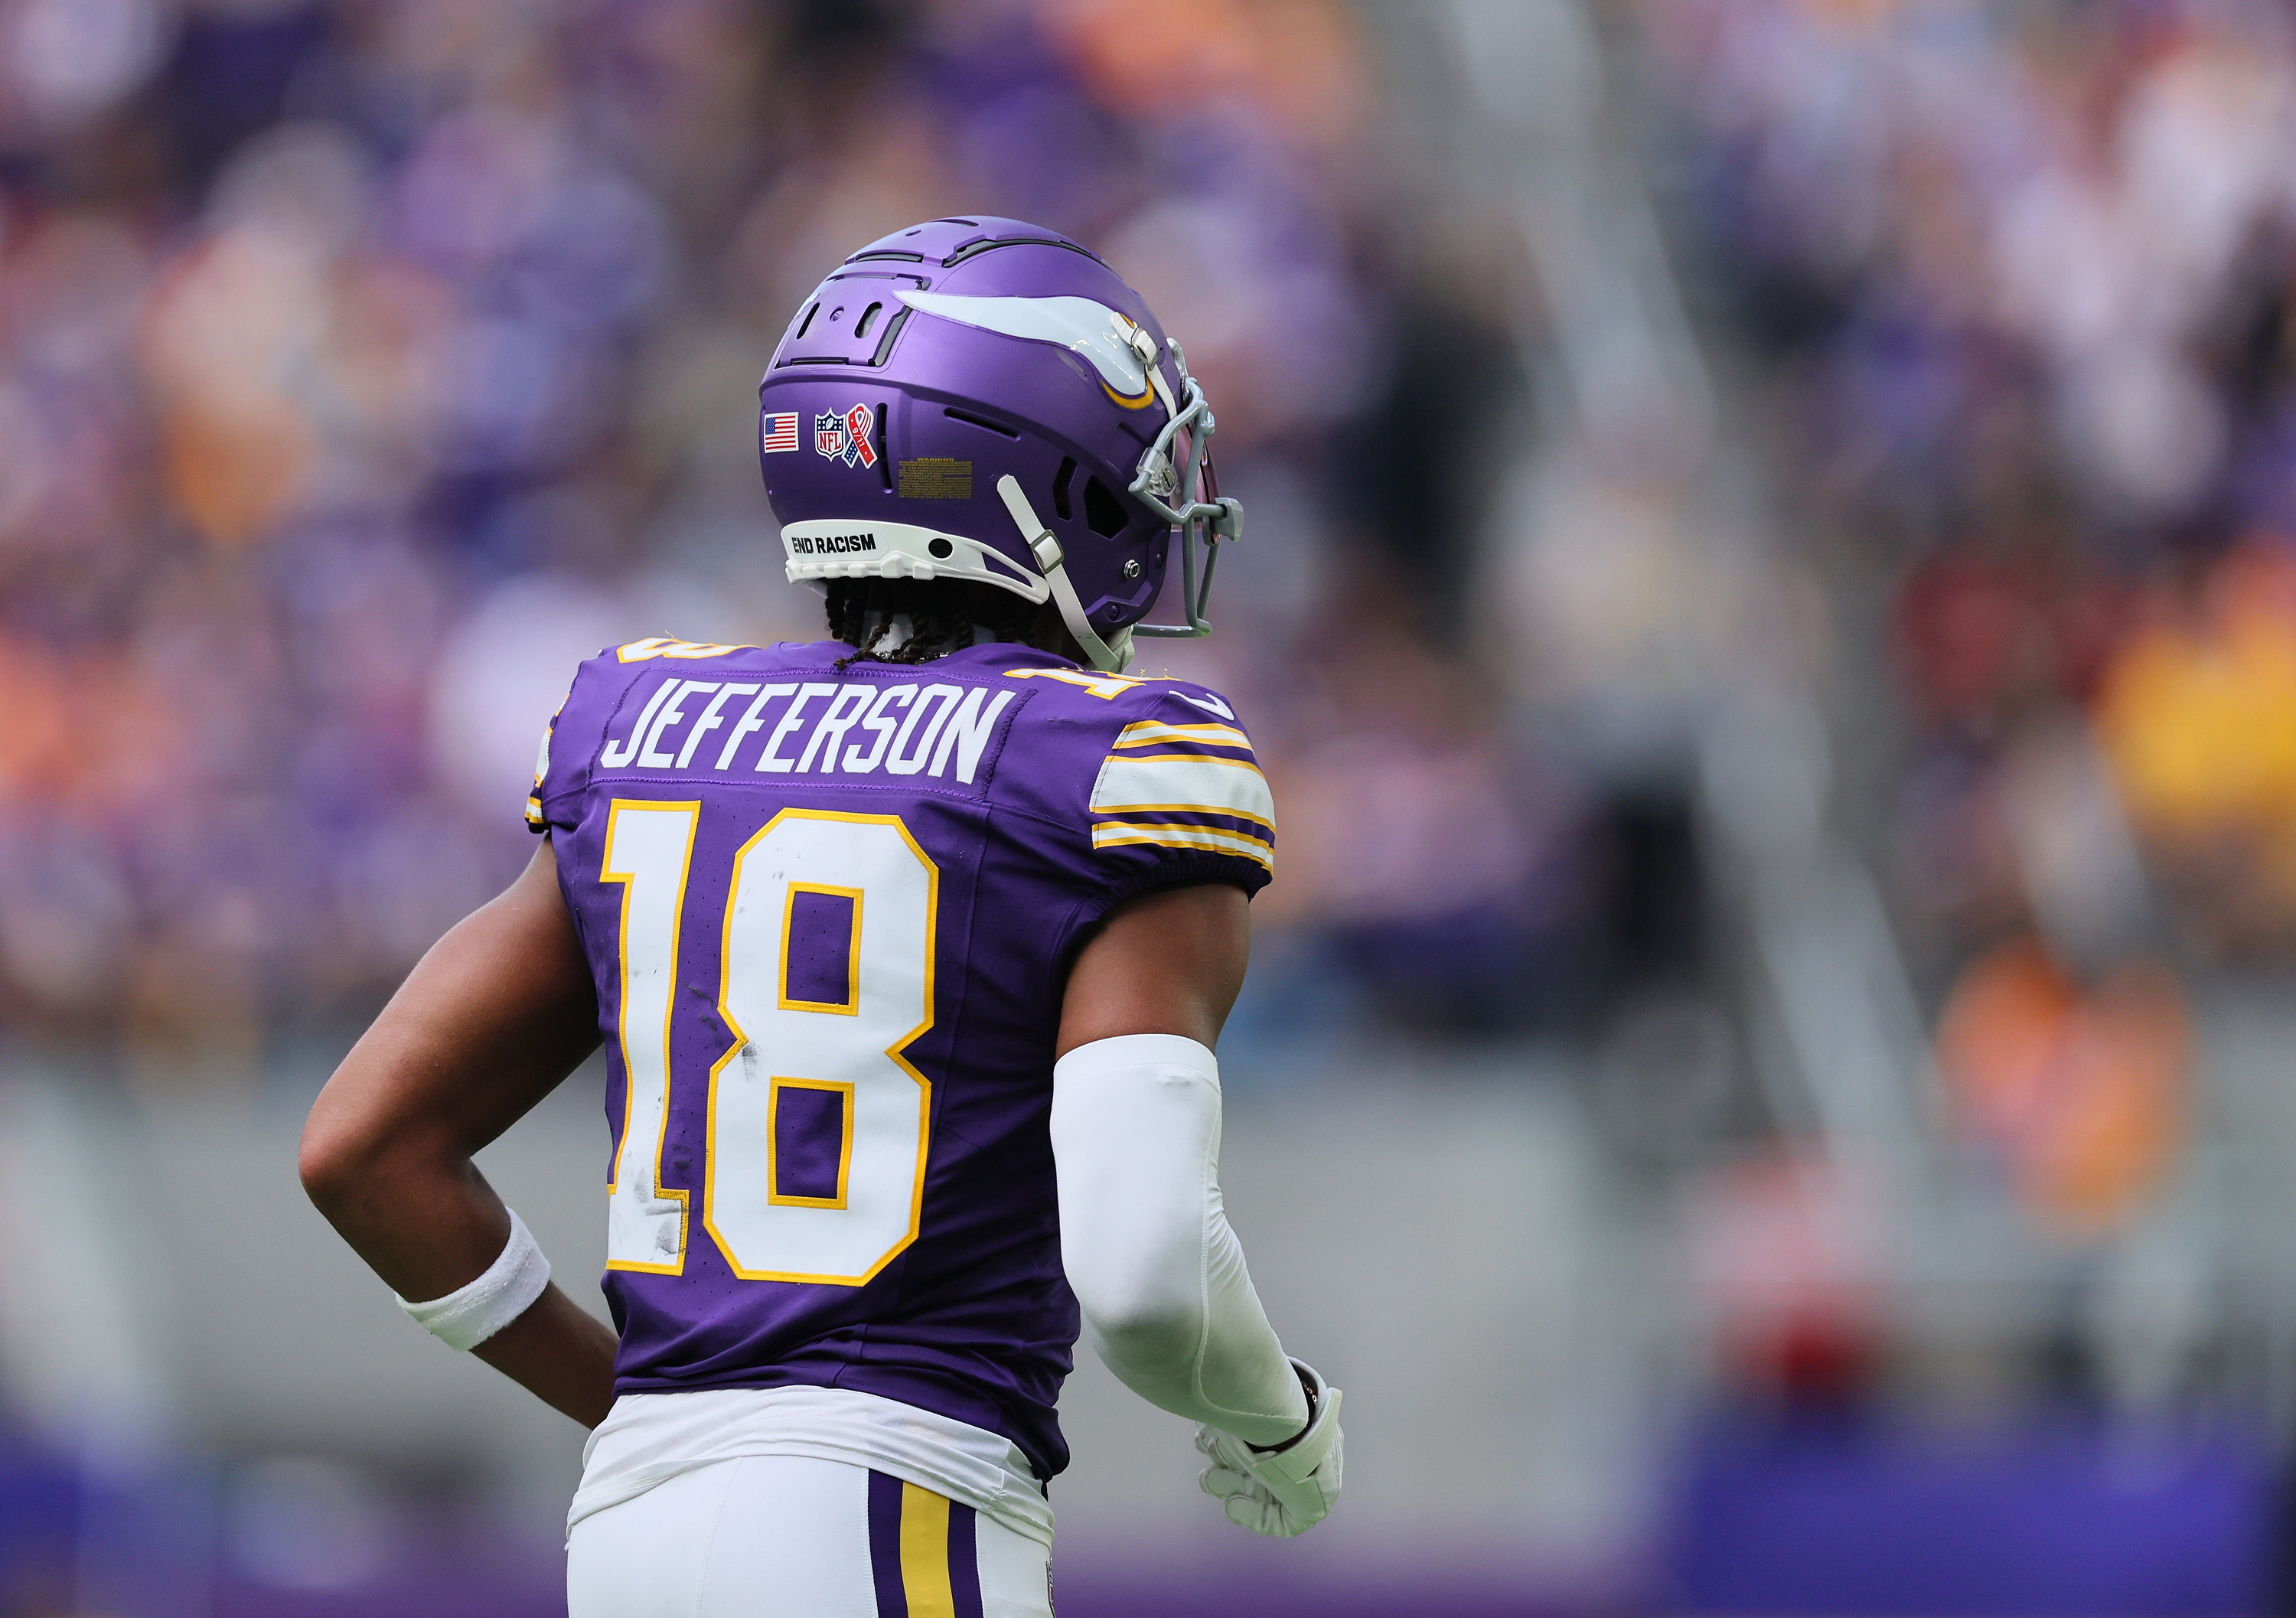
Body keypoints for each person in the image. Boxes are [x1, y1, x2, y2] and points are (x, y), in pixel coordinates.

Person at [298, 217, 1342, 1616]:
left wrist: (651, 1410)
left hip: (629, 1531)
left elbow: (366, 1147)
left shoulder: (648, 722)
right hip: (893, 1509)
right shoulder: (1109, 759)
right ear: (1040, 485)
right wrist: (1285, 1420)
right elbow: (1149, 1274)